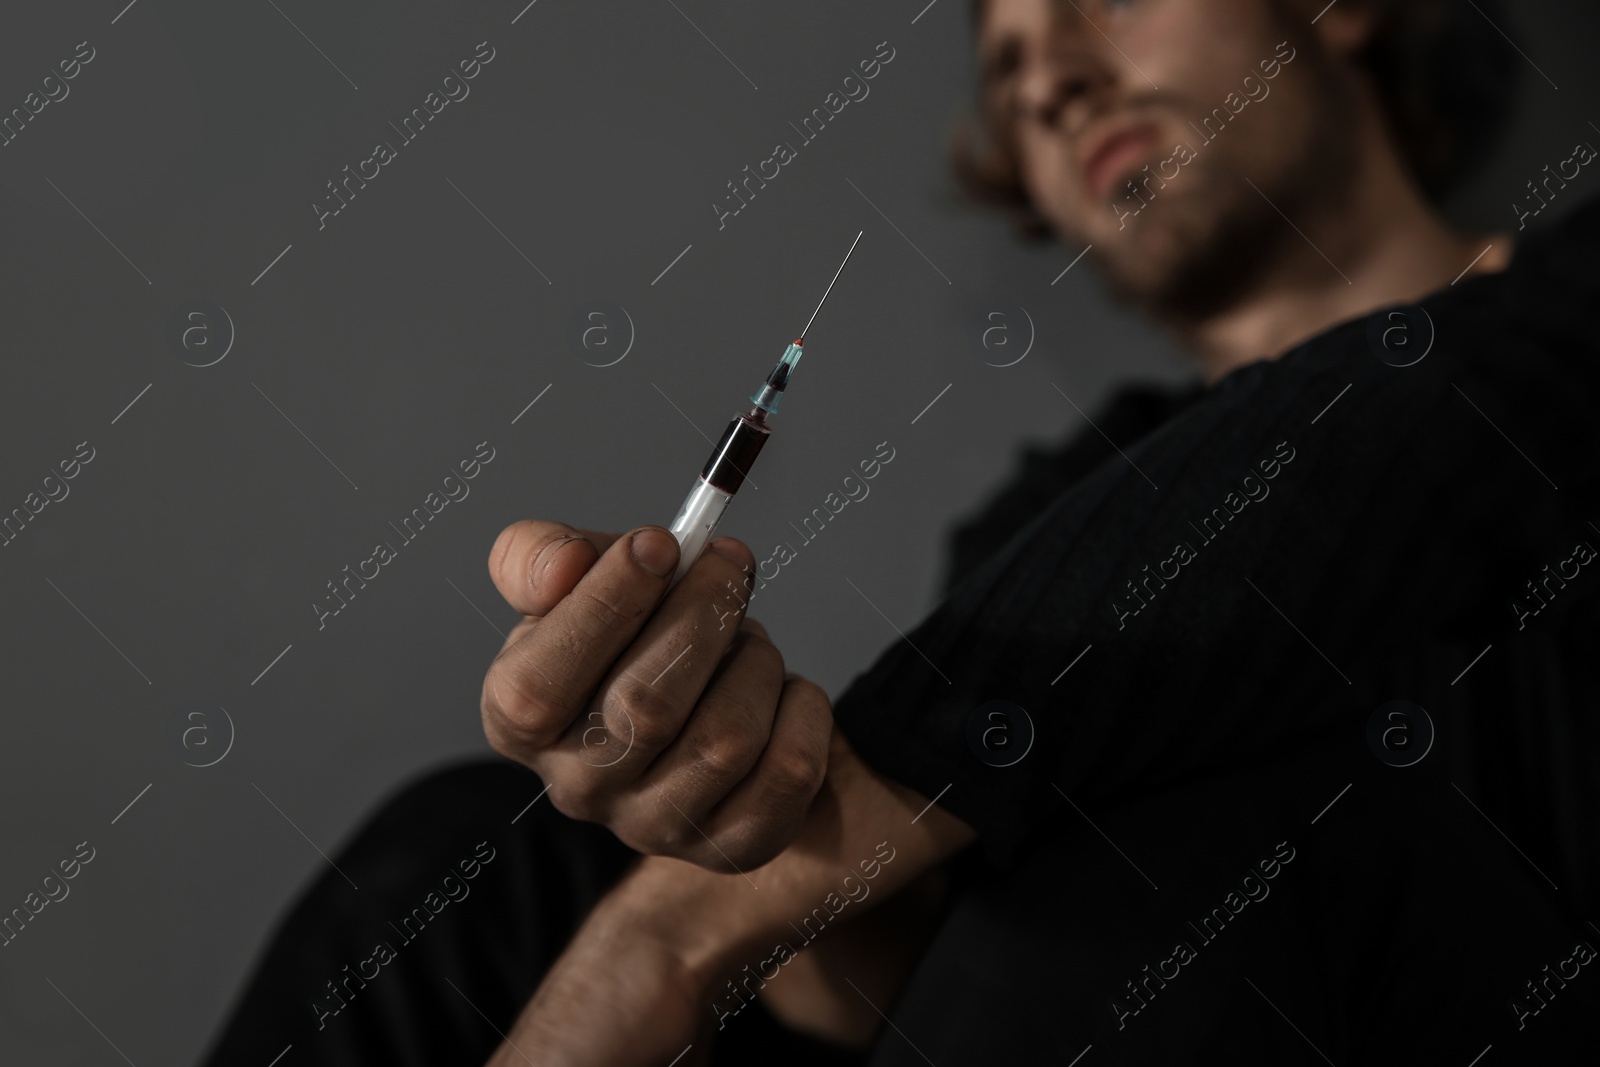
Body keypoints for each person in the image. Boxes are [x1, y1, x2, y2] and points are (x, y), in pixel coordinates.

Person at [198, 0, 1600, 1063]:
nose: (1047, 79)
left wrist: (674, 933)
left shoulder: (1572, 302)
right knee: (472, 846)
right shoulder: (1048, 518)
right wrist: (750, 828)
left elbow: (1428, 413)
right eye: (1005, 69)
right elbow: (929, 970)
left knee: (1196, 828)